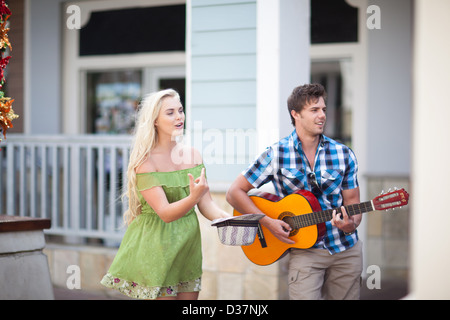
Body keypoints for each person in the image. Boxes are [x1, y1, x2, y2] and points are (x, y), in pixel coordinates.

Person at [226, 83, 362, 300]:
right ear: (295, 114)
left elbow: (354, 205)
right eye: (314, 110)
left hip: (346, 250)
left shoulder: (344, 154)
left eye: (324, 110)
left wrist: (351, 224)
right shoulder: (276, 154)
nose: (322, 116)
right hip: (304, 251)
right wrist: (267, 221)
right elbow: (234, 193)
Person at [101, 89, 229, 300]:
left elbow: (207, 206)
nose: (179, 117)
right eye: (170, 112)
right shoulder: (146, 162)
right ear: (155, 121)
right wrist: (192, 198)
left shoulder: (193, 155)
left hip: (187, 248)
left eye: (180, 110)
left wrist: (232, 220)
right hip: (156, 248)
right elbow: (165, 213)